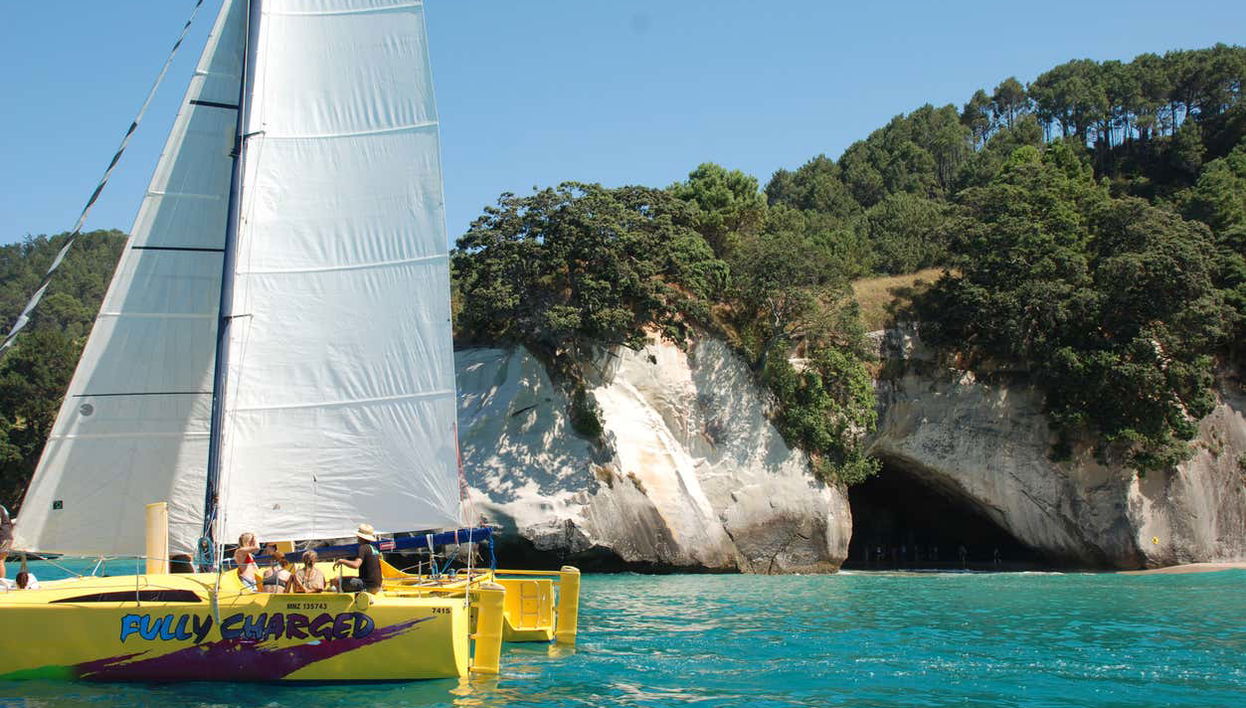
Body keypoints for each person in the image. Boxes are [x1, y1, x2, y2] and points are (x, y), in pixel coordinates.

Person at [331, 523, 383, 593]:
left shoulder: (363, 548)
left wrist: (342, 561)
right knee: (351, 579)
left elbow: (356, 565)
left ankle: (342, 601)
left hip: (367, 586)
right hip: (377, 586)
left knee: (336, 580)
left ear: (361, 537)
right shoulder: (374, 548)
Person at [0, 504, 13, 580]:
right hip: (8, 537)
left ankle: (0, 583)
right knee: (1, 561)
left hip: (2, 537)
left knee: (0, 561)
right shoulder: (2, 507)